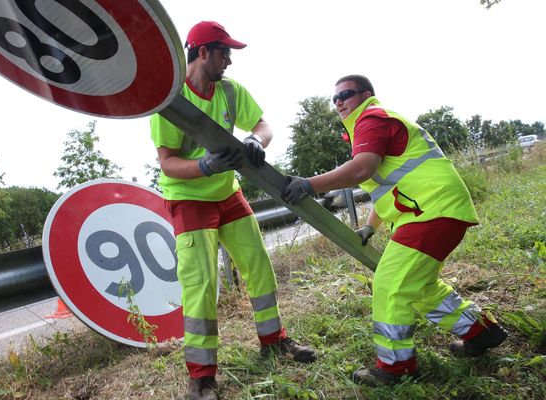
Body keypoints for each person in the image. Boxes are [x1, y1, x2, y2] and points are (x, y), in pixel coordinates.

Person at [282, 75, 507, 386]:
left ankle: (395, 367)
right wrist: (369, 227)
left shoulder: (371, 119)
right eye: (334, 99)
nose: (338, 102)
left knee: (390, 285)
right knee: (420, 287)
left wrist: (308, 184)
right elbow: (386, 188)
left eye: (345, 94)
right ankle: (481, 332)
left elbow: (361, 170)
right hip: (436, 210)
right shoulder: (370, 126)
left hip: (431, 211)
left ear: (366, 95)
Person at [149, 21, 316, 400]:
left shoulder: (229, 91)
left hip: (228, 193)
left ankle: (274, 341)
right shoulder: (170, 102)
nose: (229, 61)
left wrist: (257, 138)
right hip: (189, 197)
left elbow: (263, 124)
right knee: (202, 284)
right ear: (202, 52)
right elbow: (168, 163)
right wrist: (204, 167)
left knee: (258, 264)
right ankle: (202, 376)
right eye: (224, 53)